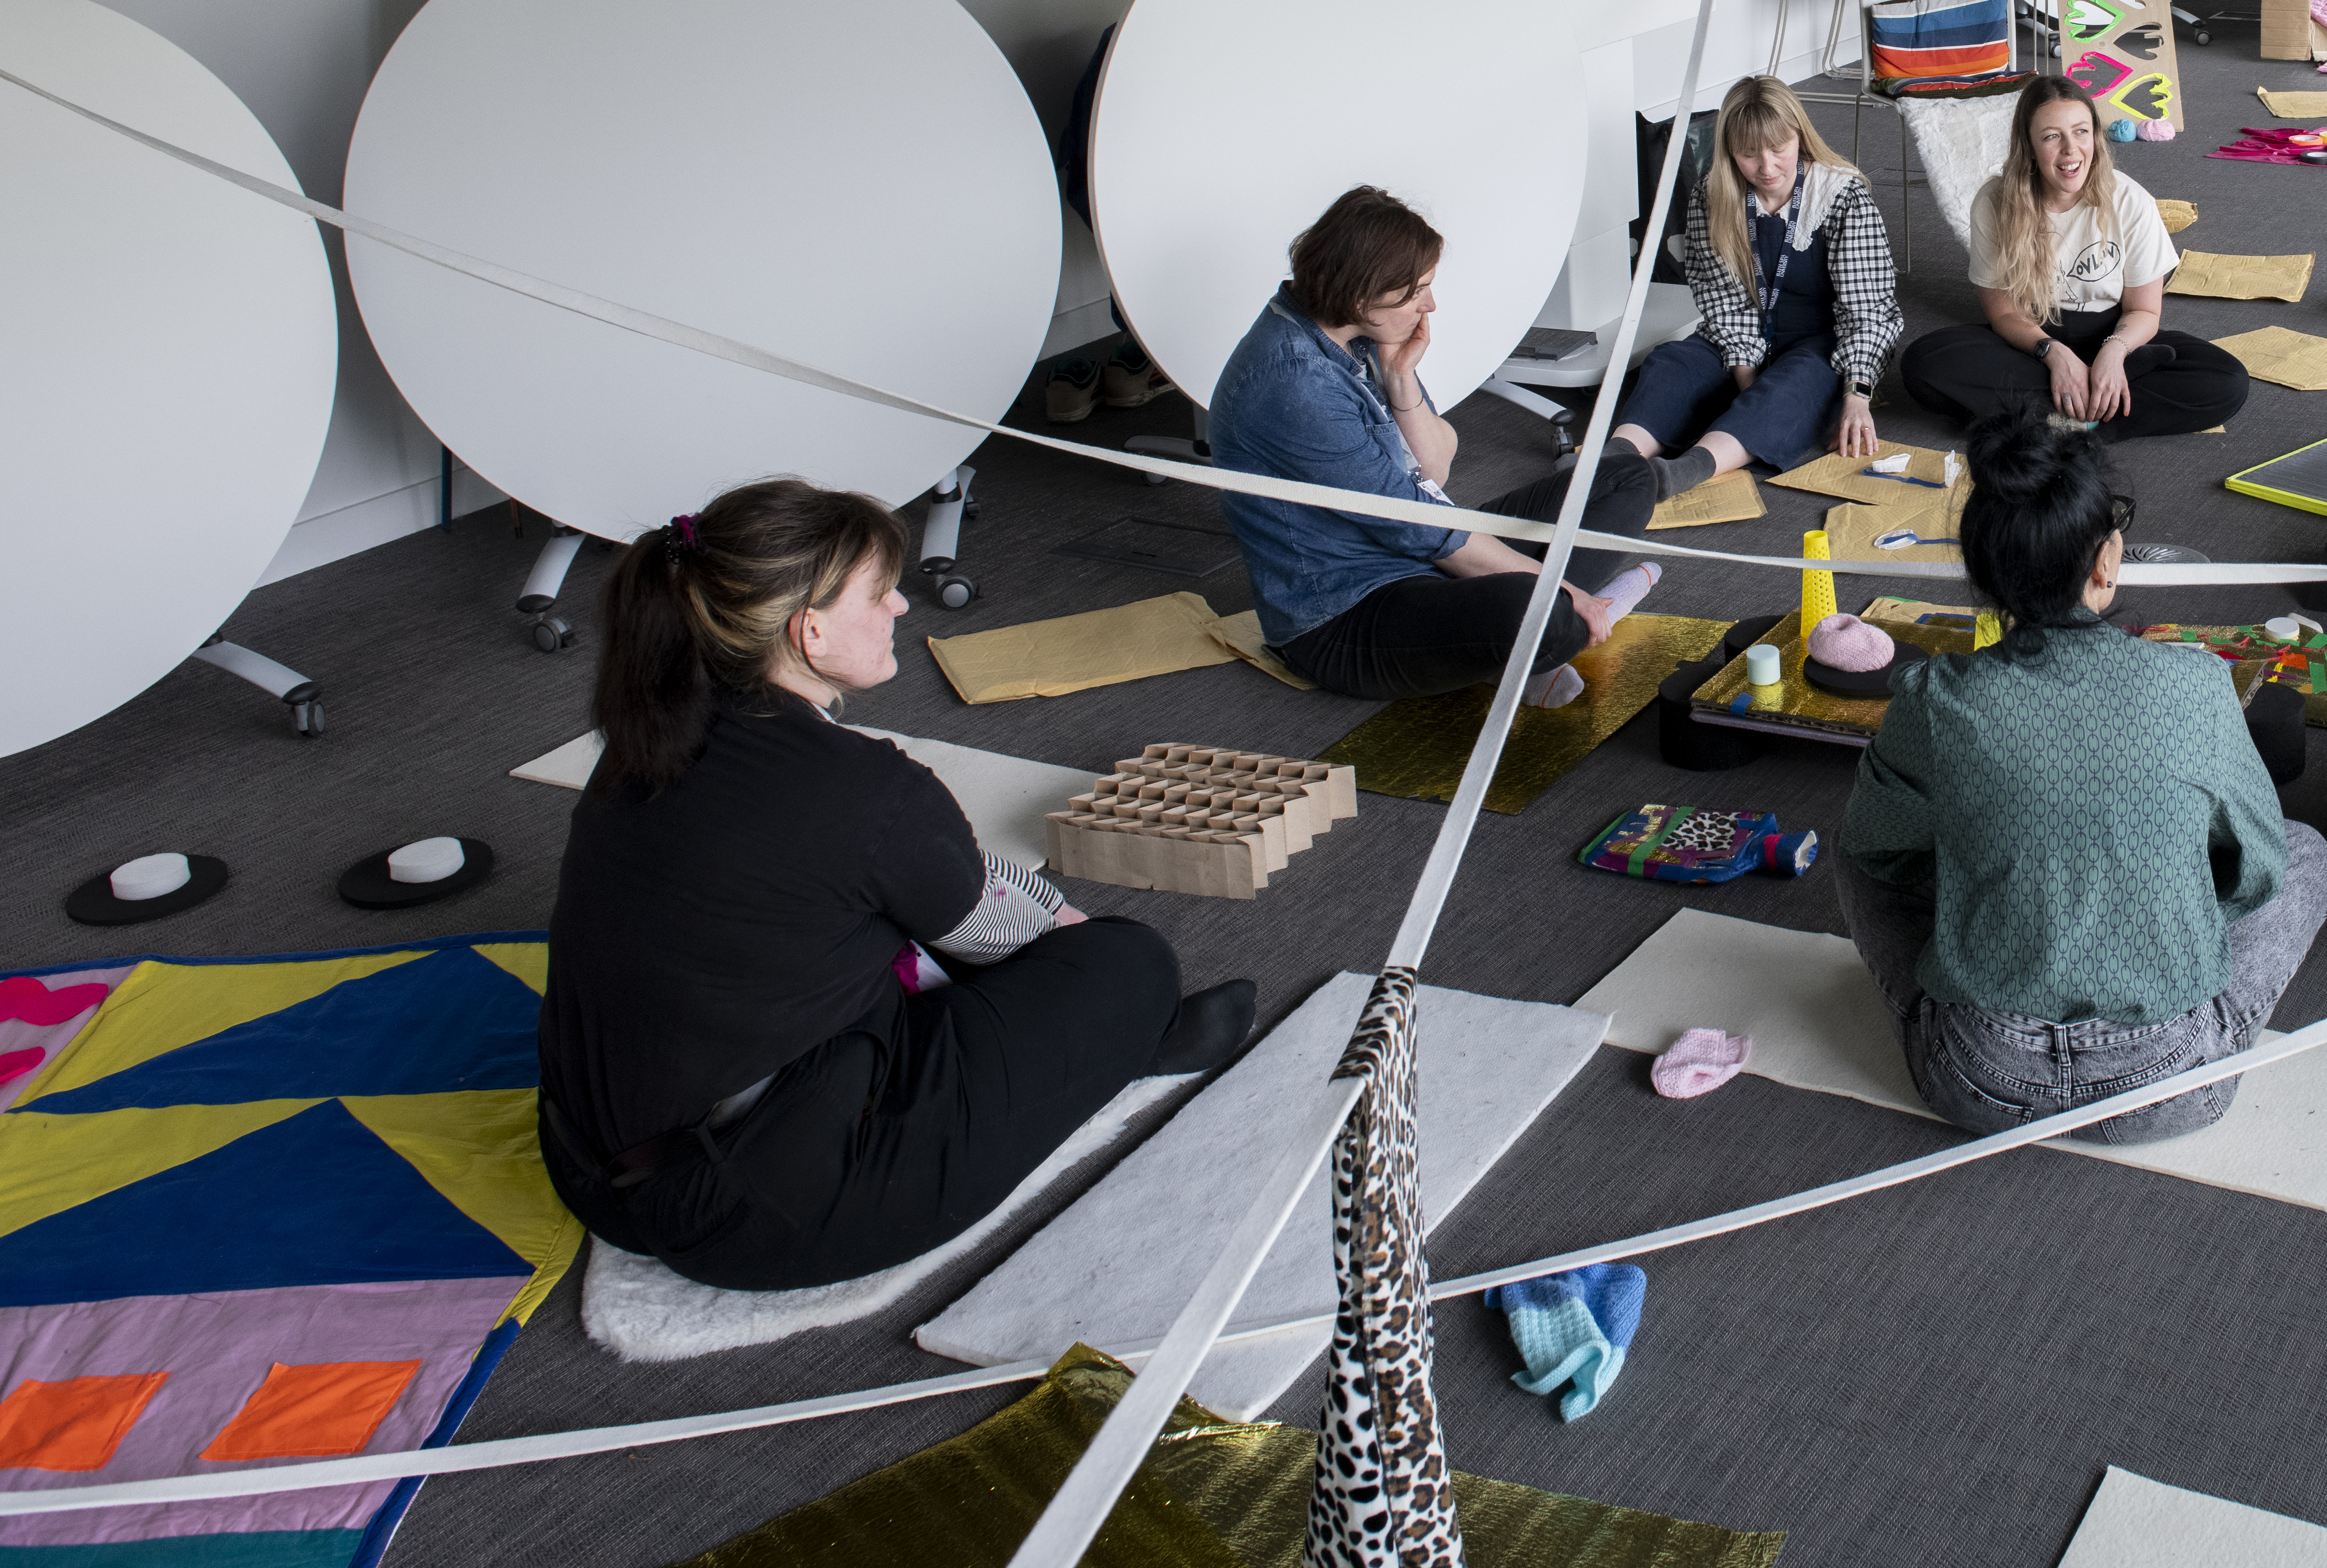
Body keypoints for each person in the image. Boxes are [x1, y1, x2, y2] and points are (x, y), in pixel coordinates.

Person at [536, 479, 1254, 1292]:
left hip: (587, 1162)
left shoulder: (644, 734)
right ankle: (1125, 1045)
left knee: (887, 934)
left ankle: (1095, 1041)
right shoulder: (866, 788)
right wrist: (1085, 952)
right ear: (809, 631)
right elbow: (1002, 924)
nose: (902, 609)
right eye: (880, 593)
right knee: (1130, 962)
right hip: (751, 1211)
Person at [1835, 410, 2327, 1140]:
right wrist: (2152, 904)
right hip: (2166, 1080)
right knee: (2307, 852)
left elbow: (1878, 848)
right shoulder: (2196, 684)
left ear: (1982, 574)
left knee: (1856, 843)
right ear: (2107, 561)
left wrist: (2008, 877)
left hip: (1979, 1079)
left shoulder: (1934, 696)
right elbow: (2257, 870)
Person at [1212, 184, 1663, 703]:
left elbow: (1436, 469)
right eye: (1415, 290)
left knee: (1628, 478)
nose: (1430, 303)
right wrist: (1564, 590)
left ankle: (1515, 642)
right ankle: (1562, 622)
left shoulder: (1354, 332)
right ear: (1361, 294)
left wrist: (1402, 378)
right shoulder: (1294, 382)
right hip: (1347, 618)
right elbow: (1419, 527)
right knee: (1537, 609)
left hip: (1422, 554)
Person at [1897, 82, 2250, 443]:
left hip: (2114, 334)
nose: (2071, 150)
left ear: (2095, 136)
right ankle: (2086, 407)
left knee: (2227, 380)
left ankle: (2063, 421)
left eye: (2081, 132)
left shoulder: (2131, 200)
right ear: (2030, 147)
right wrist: (2055, 356)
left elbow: (2145, 312)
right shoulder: (1994, 202)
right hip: (2032, 342)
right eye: (2052, 136)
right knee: (1925, 363)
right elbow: (2004, 315)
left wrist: (2113, 355)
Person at [1607, 75, 1902, 485]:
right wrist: (1746, 379)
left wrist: (1856, 395)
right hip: (1739, 336)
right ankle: (1614, 460)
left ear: (1799, 136)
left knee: (1791, 385)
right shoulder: (1711, 196)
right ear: (1729, 151)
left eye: (1779, 150)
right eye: (1748, 154)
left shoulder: (1841, 196)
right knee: (1670, 363)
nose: (1766, 168)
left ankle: (1687, 471)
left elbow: (1866, 309)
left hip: (1818, 342)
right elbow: (1721, 299)